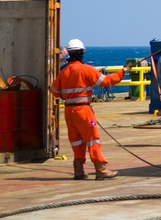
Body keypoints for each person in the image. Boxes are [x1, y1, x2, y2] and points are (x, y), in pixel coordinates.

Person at [48, 39, 129, 180]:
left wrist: (67, 94)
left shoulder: (64, 72)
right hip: (83, 110)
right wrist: (123, 71)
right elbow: (107, 81)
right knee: (93, 140)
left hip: (69, 111)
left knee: (76, 141)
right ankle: (101, 169)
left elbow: (54, 91)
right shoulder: (86, 70)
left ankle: (78, 170)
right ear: (82, 53)